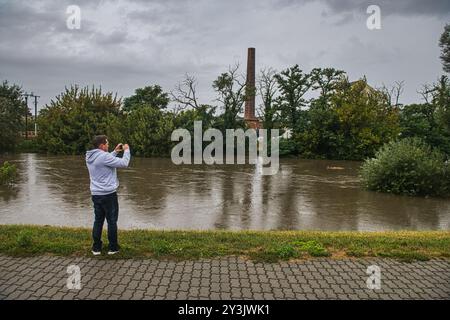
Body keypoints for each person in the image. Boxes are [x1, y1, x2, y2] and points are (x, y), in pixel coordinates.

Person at [85, 135, 131, 255]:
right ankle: (113, 248)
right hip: (108, 194)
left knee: (98, 221)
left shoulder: (90, 156)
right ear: (101, 145)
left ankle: (96, 248)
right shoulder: (103, 156)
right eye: (107, 143)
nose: (108, 145)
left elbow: (104, 159)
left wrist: (115, 152)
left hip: (95, 194)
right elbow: (124, 163)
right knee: (111, 221)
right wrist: (126, 150)